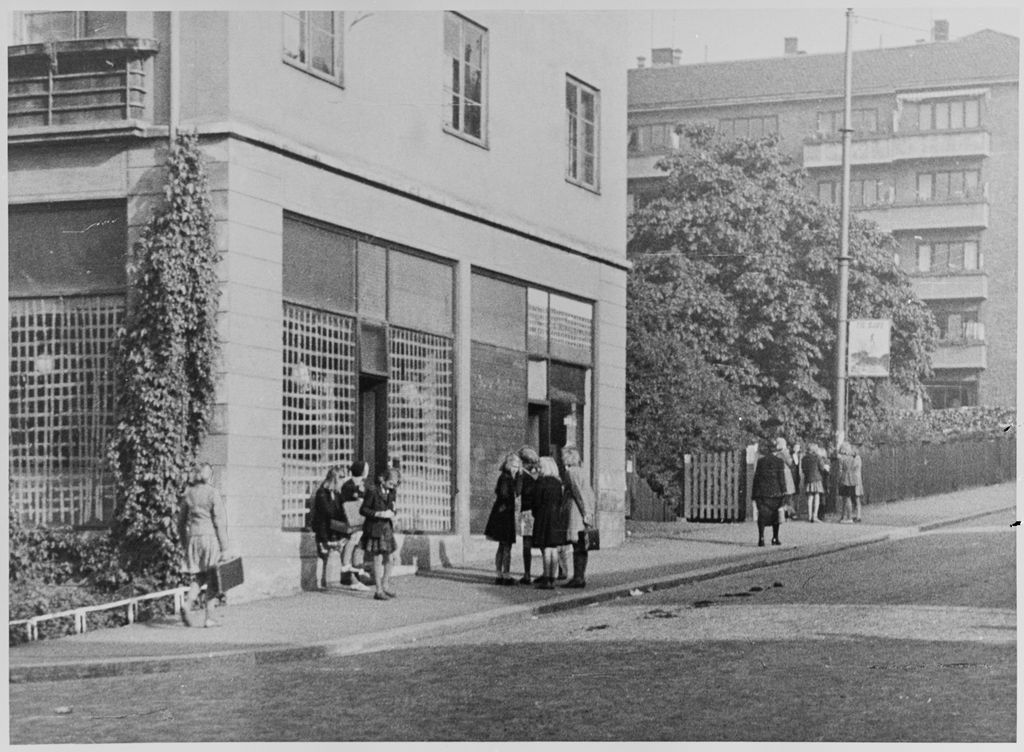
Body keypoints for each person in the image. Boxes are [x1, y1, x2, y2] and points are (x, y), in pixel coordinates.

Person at [177, 462, 229, 627]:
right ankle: (210, 617)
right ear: (209, 476)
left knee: (199, 576)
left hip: (193, 537)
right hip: (209, 538)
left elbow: (180, 523)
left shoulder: (189, 493)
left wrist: (185, 543)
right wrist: (225, 548)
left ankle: (188, 604)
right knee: (213, 578)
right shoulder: (213, 493)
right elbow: (219, 522)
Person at [359, 467, 401, 601]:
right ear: (382, 479)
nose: (392, 487)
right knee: (377, 559)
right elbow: (363, 510)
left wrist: (394, 515)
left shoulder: (392, 491)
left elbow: (392, 507)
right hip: (375, 528)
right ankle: (378, 590)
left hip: (387, 528)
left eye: (395, 485)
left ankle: (385, 584)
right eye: (391, 483)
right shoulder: (372, 490)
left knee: (390, 558)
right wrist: (378, 513)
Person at [529, 456, 567, 589]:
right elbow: (561, 501)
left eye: (540, 466)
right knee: (553, 549)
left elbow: (536, 502)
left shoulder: (541, 482)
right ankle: (552, 577)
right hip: (556, 518)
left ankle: (546, 577)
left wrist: (536, 513)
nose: (538, 468)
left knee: (545, 548)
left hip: (544, 517)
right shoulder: (558, 483)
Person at [561, 447, 596, 589]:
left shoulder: (571, 472)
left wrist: (585, 512)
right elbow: (588, 493)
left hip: (577, 513)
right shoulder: (582, 472)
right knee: (583, 546)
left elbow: (578, 493)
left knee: (578, 546)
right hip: (585, 511)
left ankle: (578, 577)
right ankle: (580, 576)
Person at [484, 452, 521, 586]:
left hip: (501, 514)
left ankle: (499, 574)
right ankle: (506, 575)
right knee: (506, 546)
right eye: (514, 465)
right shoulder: (507, 478)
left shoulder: (504, 477)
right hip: (505, 515)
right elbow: (508, 494)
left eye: (518, 466)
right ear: (509, 464)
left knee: (502, 546)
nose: (516, 468)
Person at [310, 466, 347, 590]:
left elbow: (341, 511)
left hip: (333, 529)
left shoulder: (336, 494)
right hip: (324, 529)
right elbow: (328, 512)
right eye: (341, 480)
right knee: (327, 554)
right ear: (335, 479)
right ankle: (327, 582)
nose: (342, 483)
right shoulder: (322, 493)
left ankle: (330, 581)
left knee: (333, 554)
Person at [338, 461, 371, 591]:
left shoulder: (360, 484)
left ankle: (358, 572)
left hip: (361, 519)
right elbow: (352, 503)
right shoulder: (350, 485)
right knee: (353, 541)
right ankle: (347, 570)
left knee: (359, 545)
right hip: (353, 519)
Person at [751, 439, 788, 547]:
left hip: (762, 493)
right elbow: (781, 478)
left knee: (762, 516)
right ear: (776, 450)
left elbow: (756, 477)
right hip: (776, 493)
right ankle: (775, 537)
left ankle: (761, 538)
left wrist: (754, 494)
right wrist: (784, 491)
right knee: (775, 516)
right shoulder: (779, 461)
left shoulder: (761, 461)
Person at [516, 446, 541, 585]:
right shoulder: (538, 474)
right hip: (538, 511)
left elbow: (518, 492)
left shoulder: (522, 475)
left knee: (527, 544)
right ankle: (552, 571)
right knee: (543, 543)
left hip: (526, 512)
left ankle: (527, 574)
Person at [800, 442, 827, 523]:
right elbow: (822, 468)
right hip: (817, 478)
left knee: (810, 497)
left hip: (808, 478)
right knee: (817, 496)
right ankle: (815, 516)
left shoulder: (804, 458)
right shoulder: (817, 457)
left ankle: (809, 516)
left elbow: (803, 469)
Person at [836, 442, 863, 523]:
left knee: (846, 498)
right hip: (852, 480)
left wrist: (839, 479)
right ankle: (847, 516)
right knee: (849, 498)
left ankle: (848, 517)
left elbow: (840, 471)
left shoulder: (842, 459)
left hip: (844, 480)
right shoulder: (853, 458)